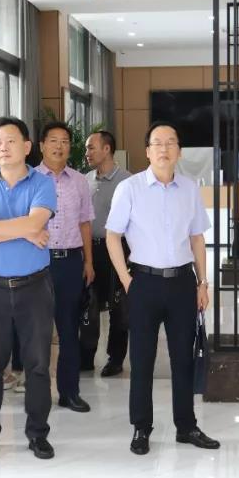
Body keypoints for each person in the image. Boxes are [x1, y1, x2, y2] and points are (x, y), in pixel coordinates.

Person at [105, 120, 221, 455]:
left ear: (179, 151)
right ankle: (141, 427)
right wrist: (126, 279)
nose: (164, 148)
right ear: (147, 151)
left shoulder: (189, 188)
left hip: (183, 283)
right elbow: (112, 235)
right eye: (157, 143)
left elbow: (197, 238)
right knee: (142, 360)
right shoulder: (130, 188)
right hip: (143, 282)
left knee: (183, 358)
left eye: (171, 142)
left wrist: (203, 282)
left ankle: (186, 426)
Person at [0, 116, 58, 460]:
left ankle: (38, 434)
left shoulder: (42, 183)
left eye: (9, 141)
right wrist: (26, 230)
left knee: (37, 366)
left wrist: (1, 228)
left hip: (34, 287)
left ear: (26, 146)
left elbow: (36, 223)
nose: (2, 148)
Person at [35, 121, 95, 412]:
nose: (59, 146)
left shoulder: (80, 181)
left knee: (69, 329)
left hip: (71, 261)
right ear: (42, 145)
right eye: (53, 140)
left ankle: (69, 392)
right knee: (37, 331)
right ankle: (37, 394)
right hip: (37, 262)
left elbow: (85, 223)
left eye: (64, 141)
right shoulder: (30, 178)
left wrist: (88, 262)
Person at [81, 130, 132, 377]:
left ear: (107, 149)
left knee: (118, 307)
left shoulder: (128, 182)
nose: (87, 153)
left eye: (91, 147)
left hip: (118, 249)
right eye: (86, 148)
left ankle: (115, 358)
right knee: (88, 305)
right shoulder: (84, 180)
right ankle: (86, 356)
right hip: (89, 249)